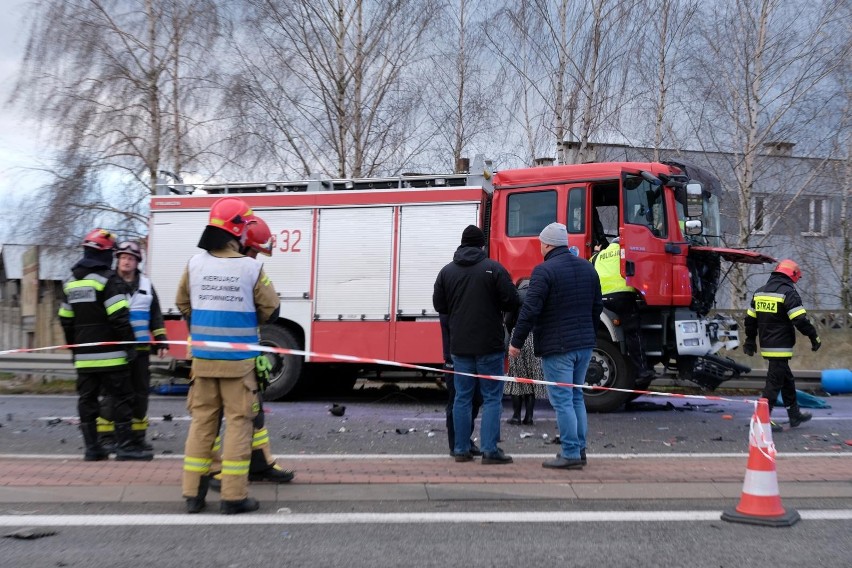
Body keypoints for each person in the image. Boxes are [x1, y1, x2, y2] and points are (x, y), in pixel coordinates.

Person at [177, 197, 281, 515]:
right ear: (238, 229)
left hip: (203, 361)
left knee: (202, 424)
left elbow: (182, 304)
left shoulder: (194, 264)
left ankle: (193, 495)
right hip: (238, 366)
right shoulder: (251, 267)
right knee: (238, 425)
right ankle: (233, 497)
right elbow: (272, 309)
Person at [209, 217, 295, 489]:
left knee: (253, 411)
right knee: (217, 416)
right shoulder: (222, 270)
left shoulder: (230, 268)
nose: (256, 257)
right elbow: (272, 310)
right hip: (217, 357)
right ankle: (213, 471)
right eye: (254, 251)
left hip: (239, 355)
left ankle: (260, 463)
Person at [509, 222, 602, 470]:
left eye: (541, 242)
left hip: (558, 347)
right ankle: (580, 449)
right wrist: (588, 333)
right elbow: (597, 307)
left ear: (548, 244)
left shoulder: (544, 271)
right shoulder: (588, 268)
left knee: (562, 401)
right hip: (584, 345)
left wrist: (516, 341)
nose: (540, 246)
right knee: (575, 397)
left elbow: (530, 309)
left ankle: (570, 453)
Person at [58, 228, 153, 462]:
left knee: (87, 401)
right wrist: (130, 345)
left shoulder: (70, 283)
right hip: (112, 355)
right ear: (105, 254)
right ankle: (125, 447)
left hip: (84, 356)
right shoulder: (109, 281)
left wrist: (74, 348)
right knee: (122, 398)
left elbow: (65, 320)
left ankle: (93, 449)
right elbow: (119, 317)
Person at [433, 224, 520, 464]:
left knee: (462, 396)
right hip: (489, 345)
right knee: (492, 398)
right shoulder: (493, 269)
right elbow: (511, 301)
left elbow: (440, 306)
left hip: (460, 346)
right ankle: (490, 450)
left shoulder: (446, 272)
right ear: (482, 245)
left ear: (461, 244)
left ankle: (461, 448)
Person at [103, 240, 169, 452]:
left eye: (130, 258)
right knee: (113, 393)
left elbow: (155, 315)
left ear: (137, 261)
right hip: (115, 349)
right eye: (122, 257)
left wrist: (161, 341)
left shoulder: (146, 285)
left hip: (140, 350)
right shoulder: (108, 283)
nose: (126, 261)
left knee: (140, 394)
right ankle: (107, 436)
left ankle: (137, 436)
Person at [743, 259, 821, 432]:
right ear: (792, 276)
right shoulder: (788, 293)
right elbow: (800, 320)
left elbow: (750, 320)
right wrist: (813, 336)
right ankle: (762, 419)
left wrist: (749, 340)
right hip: (781, 346)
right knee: (773, 383)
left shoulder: (759, 293)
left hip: (766, 344)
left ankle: (794, 414)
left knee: (786, 380)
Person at [591, 239, 655, 385]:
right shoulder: (626, 252)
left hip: (603, 299)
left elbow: (590, 267)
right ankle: (642, 370)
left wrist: (595, 252)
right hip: (623, 297)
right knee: (633, 332)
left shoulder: (599, 256)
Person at [504, 281, 547, 425]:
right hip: (535, 338)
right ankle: (529, 417)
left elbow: (508, 320)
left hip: (518, 337)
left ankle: (516, 416)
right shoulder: (540, 297)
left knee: (517, 378)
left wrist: (512, 336)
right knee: (532, 378)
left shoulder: (516, 297)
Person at [439, 313, 483, 456]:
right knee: (457, 400)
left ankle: (464, 439)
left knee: (475, 399)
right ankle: (456, 444)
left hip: (467, 353)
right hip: (453, 356)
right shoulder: (449, 304)